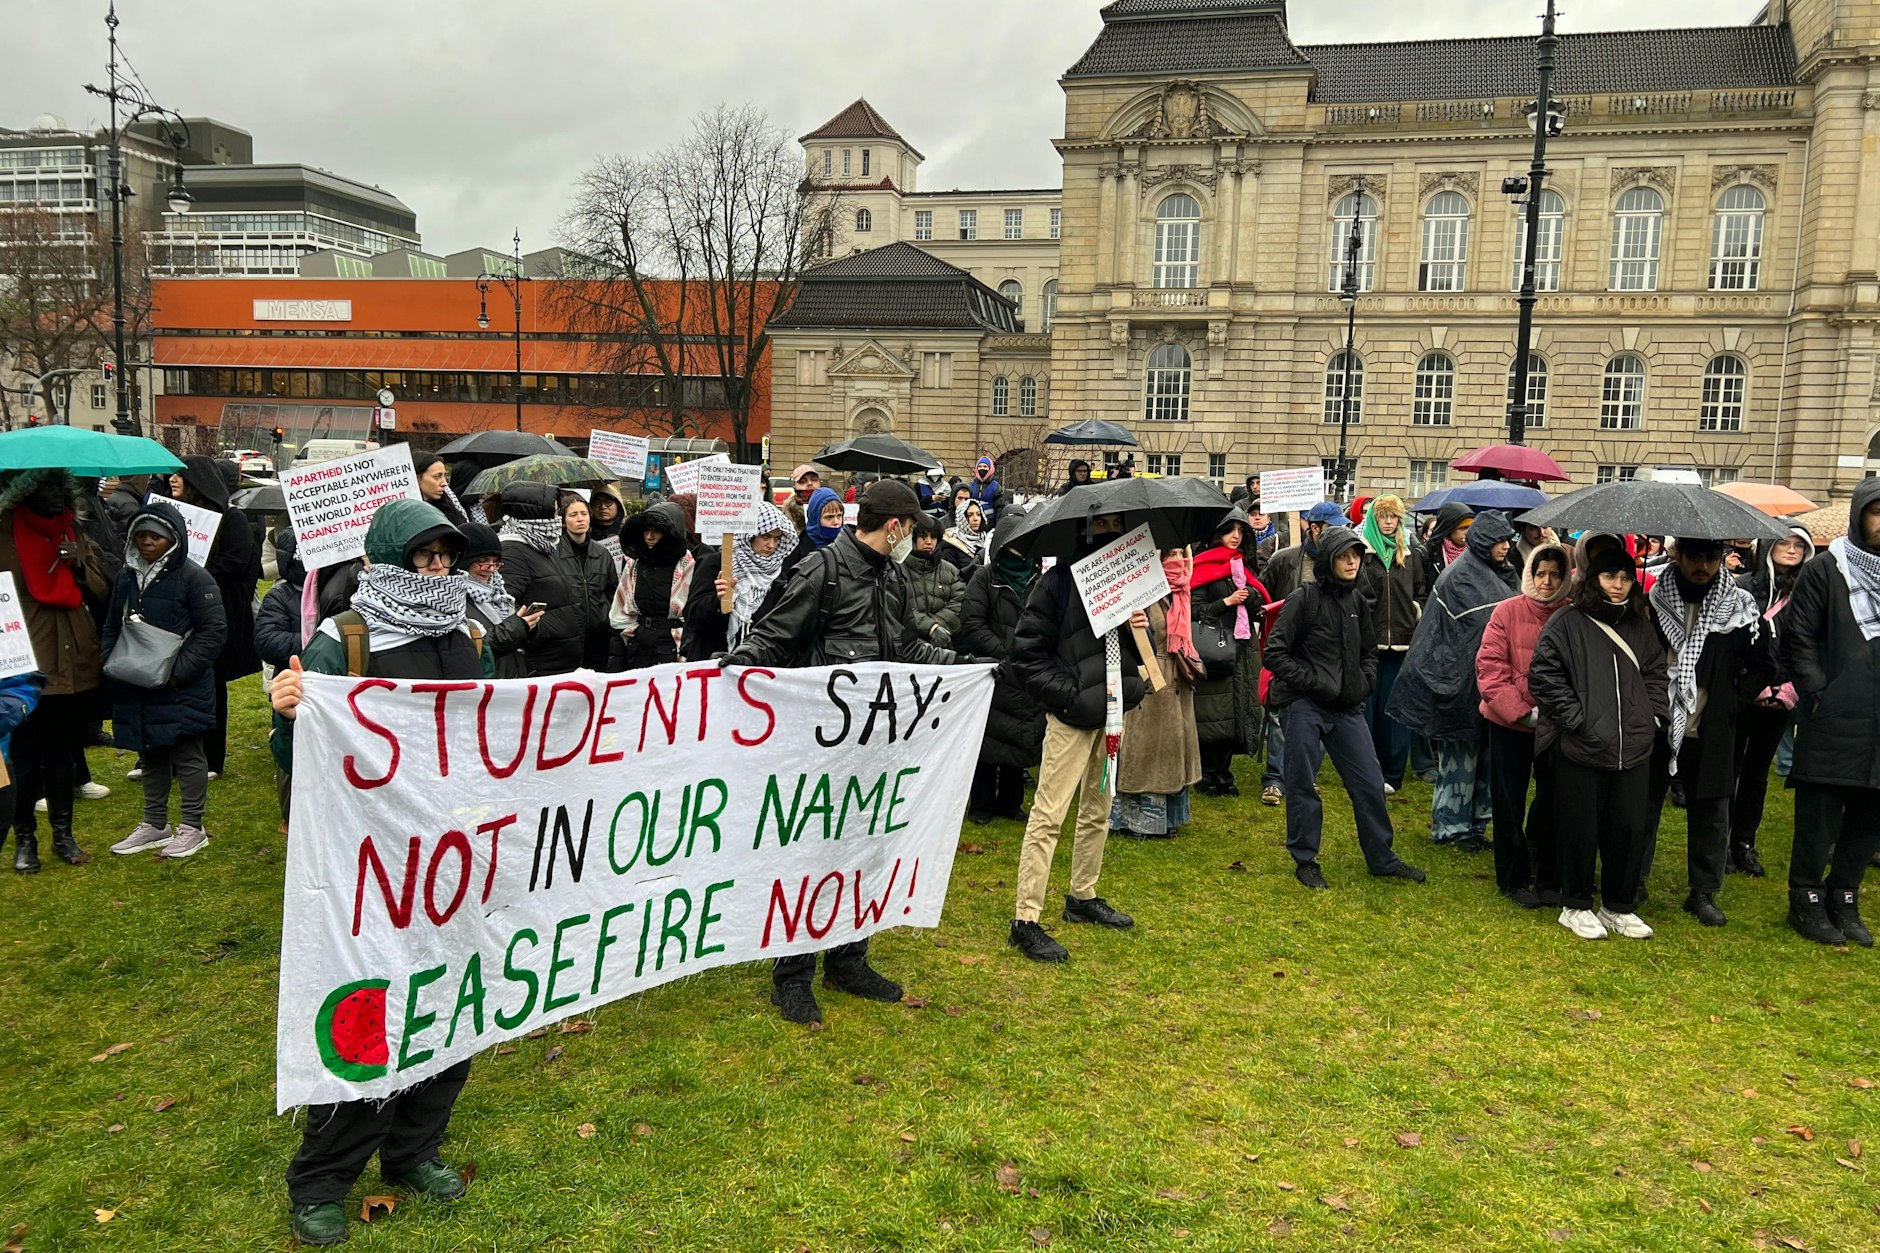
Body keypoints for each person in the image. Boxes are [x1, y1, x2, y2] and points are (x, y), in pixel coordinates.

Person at [269, 499, 491, 1247]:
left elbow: (493, 731)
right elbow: (295, 754)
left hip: (454, 860)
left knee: (451, 1006)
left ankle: (414, 1149)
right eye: (423, 556)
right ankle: (323, 1179)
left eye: (444, 556)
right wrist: (290, 710)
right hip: (372, 865)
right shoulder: (344, 641)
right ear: (386, 561)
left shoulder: (468, 633)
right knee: (367, 1014)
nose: (437, 569)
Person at [720, 480, 954, 1023]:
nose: (913, 537)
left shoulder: (891, 577)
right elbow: (773, 638)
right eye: (911, 527)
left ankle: (850, 959)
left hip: (876, 744)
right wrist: (729, 668)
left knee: (867, 850)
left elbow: (904, 649)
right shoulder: (821, 570)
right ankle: (792, 976)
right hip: (821, 747)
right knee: (812, 860)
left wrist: (964, 667)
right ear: (894, 527)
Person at [1006, 512, 1146, 961]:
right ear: (1086, 529)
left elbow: (1125, 649)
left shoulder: (1125, 583)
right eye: (1105, 525)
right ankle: (1025, 919)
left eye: (1119, 525)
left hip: (1111, 714)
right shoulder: (1057, 584)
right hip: (1071, 718)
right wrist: (1066, 697)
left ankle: (1082, 896)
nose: (1113, 533)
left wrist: (1137, 631)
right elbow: (1026, 653)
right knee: (1048, 816)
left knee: (1098, 810)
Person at [1265, 526, 1427, 890]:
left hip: (1347, 707)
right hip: (1304, 705)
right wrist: (1312, 681)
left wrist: (1363, 682)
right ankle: (1305, 859)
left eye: (1356, 555)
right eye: (1344, 555)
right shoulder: (1302, 599)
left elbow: (1368, 652)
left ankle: (1382, 859)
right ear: (1329, 560)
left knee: (1370, 782)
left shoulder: (1356, 601)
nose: (1352, 561)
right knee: (1301, 783)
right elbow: (1274, 653)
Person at [1527, 535, 1670, 941]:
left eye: (1625, 577)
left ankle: (1618, 906)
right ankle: (1575, 904)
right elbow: (1544, 675)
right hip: (1582, 744)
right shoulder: (1567, 622)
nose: (1618, 583)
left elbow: (1656, 675)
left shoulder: (1640, 626)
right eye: (1610, 575)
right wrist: (1578, 719)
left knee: (1627, 826)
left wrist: (1652, 718)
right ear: (1593, 578)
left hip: (1633, 746)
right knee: (1579, 826)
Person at [1644, 536, 1775, 927]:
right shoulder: (1652, 603)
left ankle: (1703, 891)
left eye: (1711, 558)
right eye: (1695, 557)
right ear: (1679, 556)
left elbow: (1765, 664)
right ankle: (1633, 880)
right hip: (1659, 719)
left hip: (1713, 721)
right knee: (1643, 805)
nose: (1703, 566)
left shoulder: (1741, 608)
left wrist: (1734, 702)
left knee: (1712, 809)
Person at [1780, 478, 1880, 946]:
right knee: (1819, 815)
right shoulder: (1826, 569)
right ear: (1860, 516)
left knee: (1869, 815)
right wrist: (1819, 693)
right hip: (1835, 713)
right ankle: (1806, 897)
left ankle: (1844, 895)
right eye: (1877, 512)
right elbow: (1800, 638)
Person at [99, 503, 227, 861]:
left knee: (187, 754)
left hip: (180, 686)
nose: (147, 542)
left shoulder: (194, 577)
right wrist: (111, 661)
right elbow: (111, 624)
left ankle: (192, 826)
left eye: (155, 535)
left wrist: (177, 673)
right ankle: (155, 824)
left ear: (173, 538)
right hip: (135, 680)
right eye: (141, 535)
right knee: (150, 750)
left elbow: (213, 631)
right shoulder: (126, 577)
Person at [0, 468, 111, 871]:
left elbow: (101, 591)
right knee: (26, 755)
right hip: (26, 660)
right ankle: (24, 839)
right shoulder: (5, 534)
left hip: (73, 658)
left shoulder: (72, 531)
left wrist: (80, 563)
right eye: (43, 487)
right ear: (23, 491)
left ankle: (63, 836)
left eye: (58, 489)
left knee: (63, 752)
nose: (53, 497)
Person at [1388, 510, 1519, 851]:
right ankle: (1450, 827)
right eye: (1498, 540)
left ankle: (1476, 825)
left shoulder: (1504, 573)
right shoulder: (1460, 576)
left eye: (1507, 539)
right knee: (1460, 758)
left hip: (1489, 681)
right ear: (1482, 542)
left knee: (1487, 758)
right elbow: (1485, 624)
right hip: (1456, 679)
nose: (1505, 546)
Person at [1476, 543, 1572, 907]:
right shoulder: (1506, 611)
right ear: (1529, 574)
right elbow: (1490, 670)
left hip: (1556, 726)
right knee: (1508, 802)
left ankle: (1549, 876)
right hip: (1508, 723)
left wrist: (1556, 714)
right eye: (1540, 573)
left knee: (1553, 801)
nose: (1547, 582)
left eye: (1555, 574)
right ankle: (1512, 877)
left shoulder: (1572, 615)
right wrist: (1520, 712)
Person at [1729, 525, 1811, 876]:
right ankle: (1720, 841)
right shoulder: (1744, 586)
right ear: (1768, 545)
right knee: (1729, 768)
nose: (1791, 550)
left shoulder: (1809, 591)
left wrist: (1791, 687)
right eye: (1784, 542)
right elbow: (1732, 638)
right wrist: (1754, 684)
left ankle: (1744, 842)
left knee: (1757, 773)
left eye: (1798, 545)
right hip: (1745, 693)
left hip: (1785, 695)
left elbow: (1809, 642)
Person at [172, 455, 261, 780]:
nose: (173, 480)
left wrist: (196, 573)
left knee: (211, 682)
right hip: (182, 613)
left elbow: (236, 563)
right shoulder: (174, 514)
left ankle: (212, 757)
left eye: (181, 475)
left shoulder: (231, 518)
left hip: (218, 611)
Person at [1256, 500, 1346, 807]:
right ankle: (1275, 780)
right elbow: (1262, 598)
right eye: (1333, 527)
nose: (1340, 534)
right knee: (1282, 719)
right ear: (1315, 528)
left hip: (1327, 656)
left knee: (1321, 718)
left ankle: (1304, 778)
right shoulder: (1284, 560)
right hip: (1289, 652)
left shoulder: (1345, 562)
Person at [1109, 551, 1203, 838]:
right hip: (1150, 679)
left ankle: (1169, 818)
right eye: (1169, 554)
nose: (1177, 559)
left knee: (1171, 751)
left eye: (1180, 553)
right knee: (1145, 753)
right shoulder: (1140, 589)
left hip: (1177, 677)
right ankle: (1135, 821)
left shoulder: (1182, 589)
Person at [959, 511, 1044, 825]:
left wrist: (1033, 653)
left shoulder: (1038, 579)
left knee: (1020, 737)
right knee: (987, 741)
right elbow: (972, 622)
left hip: (1026, 672)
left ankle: (1011, 802)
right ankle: (981, 803)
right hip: (992, 671)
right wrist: (1003, 653)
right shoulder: (985, 578)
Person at [1190, 511, 1267, 797]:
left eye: (1240, 531)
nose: (1236, 536)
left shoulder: (1243, 566)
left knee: (1237, 710)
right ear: (1217, 534)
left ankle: (1224, 772)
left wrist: (1252, 596)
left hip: (1242, 649)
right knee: (1214, 713)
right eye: (1229, 530)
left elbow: (1259, 597)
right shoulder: (1203, 565)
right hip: (1215, 648)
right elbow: (1194, 610)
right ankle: (1207, 774)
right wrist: (1227, 601)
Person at [1356, 495, 1424, 793]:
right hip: (1369, 647)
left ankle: (1393, 774)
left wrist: (1414, 611)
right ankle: (1367, 773)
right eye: (1383, 516)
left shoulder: (1411, 555)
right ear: (1373, 518)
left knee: (1395, 713)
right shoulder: (1362, 554)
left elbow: (1422, 592)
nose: (1387, 522)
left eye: (1393, 516)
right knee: (1367, 712)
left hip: (1402, 644)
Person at [497, 483, 600, 676]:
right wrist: (536, 634)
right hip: (540, 665)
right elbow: (504, 610)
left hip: (557, 663)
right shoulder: (513, 551)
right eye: (552, 511)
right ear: (535, 514)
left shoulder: (539, 545)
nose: (557, 518)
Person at [684, 502, 790, 661]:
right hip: (712, 663)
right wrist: (718, 602)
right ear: (749, 534)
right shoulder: (717, 563)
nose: (771, 545)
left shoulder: (777, 576)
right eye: (765, 536)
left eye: (777, 539)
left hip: (755, 668)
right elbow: (693, 618)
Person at [254, 527, 310, 831]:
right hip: (290, 683)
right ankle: (290, 816)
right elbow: (266, 640)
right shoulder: (280, 594)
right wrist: (315, 642)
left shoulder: (336, 587)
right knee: (289, 751)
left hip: (329, 685)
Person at [609, 501, 693, 670]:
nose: (649, 537)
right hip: (638, 648)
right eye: (646, 530)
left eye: (657, 531)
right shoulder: (634, 565)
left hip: (674, 649)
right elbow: (620, 614)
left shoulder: (688, 566)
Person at [459, 522, 543, 679]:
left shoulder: (500, 592)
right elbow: (476, 648)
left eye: (496, 561)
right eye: (483, 560)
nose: (490, 568)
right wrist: (517, 627)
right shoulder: (454, 598)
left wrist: (530, 628)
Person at [557, 496, 619, 670]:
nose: (580, 519)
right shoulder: (554, 553)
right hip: (567, 636)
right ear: (563, 520)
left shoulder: (602, 553)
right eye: (573, 514)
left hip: (599, 635)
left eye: (584, 513)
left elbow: (612, 590)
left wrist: (606, 618)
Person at [902, 513, 964, 650]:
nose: (929, 542)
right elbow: (899, 607)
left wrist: (938, 626)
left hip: (946, 643)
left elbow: (959, 602)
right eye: (923, 537)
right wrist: (930, 628)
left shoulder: (951, 571)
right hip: (908, 645)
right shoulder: (899, 570)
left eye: (933, 537)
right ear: (913, 539)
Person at [1418, 503, 1476, 603]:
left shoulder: (1476, 553)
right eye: (1462, 528)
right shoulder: (1426, 554)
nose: (1467, 532)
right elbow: (1420, 593)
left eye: (1470, 527)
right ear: (1449, 528)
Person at [412, 453, 468, 526]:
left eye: (444, 476)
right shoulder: (403, 516)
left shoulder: (449, 509)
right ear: (417, 478)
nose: (444, 483)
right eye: (437, 476)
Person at [941, 499, 990, 574]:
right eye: (970, 515)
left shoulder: (988, 540)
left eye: (978, 514)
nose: (976, 519)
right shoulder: (951, 546)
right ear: (961, 519)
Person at [781, 464, 820, 535]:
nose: (810, 483)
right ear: (794, 486)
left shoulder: (829, 504)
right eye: (802, 481)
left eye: (814, 479)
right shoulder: (788, 509)